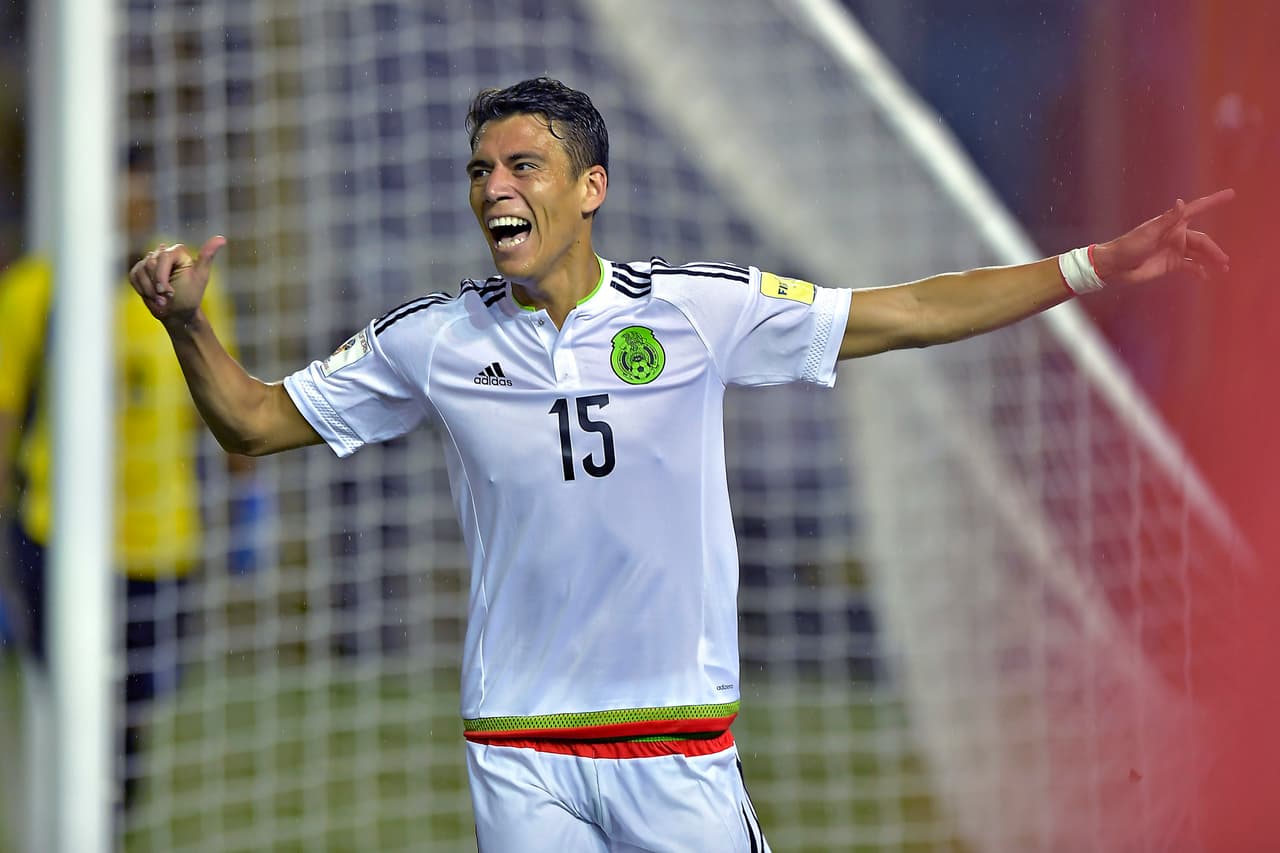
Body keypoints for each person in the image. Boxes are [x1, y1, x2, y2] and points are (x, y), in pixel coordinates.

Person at [128, 77, 1232, 851]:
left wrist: (1091, 265)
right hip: (519, 747)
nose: (493, 189)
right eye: (479, 170)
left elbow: (905, 311)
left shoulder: (698, 312)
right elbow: (255, 423)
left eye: (522, 165)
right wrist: (188, 327)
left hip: (676, 745)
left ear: (589, 187)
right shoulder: (433, 338)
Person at [0, 149, 257, 827]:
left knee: (133, 703)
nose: (132, 212)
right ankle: (82, 824)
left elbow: (225, 402)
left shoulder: (190, 289)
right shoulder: (35, 290)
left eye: (142, 200)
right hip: (55, 532)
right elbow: (4, 412)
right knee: (73, 701)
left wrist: (249, 503)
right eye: (120, 198)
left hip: (158, 537)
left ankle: (107, 817)